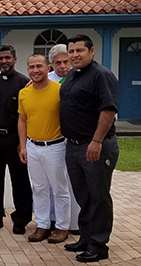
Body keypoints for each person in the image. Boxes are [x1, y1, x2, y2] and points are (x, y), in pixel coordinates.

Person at [59, 34, 120, 263]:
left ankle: (99, 245)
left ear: (91, 51)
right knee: (83, 195)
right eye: (71, 51)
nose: (75, 55)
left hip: (95, 146)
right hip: (74, 146)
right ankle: (85, 237)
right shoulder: (73, 74)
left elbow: (108, 109)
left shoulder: (101, 76)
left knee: (98, 197)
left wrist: (96, 141)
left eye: (79, 51)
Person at [17, 53, 71, 244]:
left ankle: (62, 227)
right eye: (31, 67)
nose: (35, 70)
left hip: (55, 146)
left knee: (59, 189)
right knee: (39, 188)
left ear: (48, 68)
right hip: (32, 146)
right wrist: (23, 146)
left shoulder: (60, 90)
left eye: (39, 66)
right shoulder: (24, 93)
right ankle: (42, 225)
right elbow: (22, 120)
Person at [0, 45, 32, 234]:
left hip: (15, 140)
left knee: (20, 181)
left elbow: (26, 116)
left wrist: (22, 142)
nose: (4, 61)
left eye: (7, 58)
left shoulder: (24, 83)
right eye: (0, 58)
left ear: (15, 59)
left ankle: (21, 219)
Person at [47, 44, 81, 236]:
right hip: (53, 138)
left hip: (75, 138)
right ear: (51, 64)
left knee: (72, 180)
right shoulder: (47, 81)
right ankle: (54, 219)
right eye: (57, 63)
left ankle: (74, 222)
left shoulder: (80, 78)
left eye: (65, 62)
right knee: (53, 181)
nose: (62, 66)